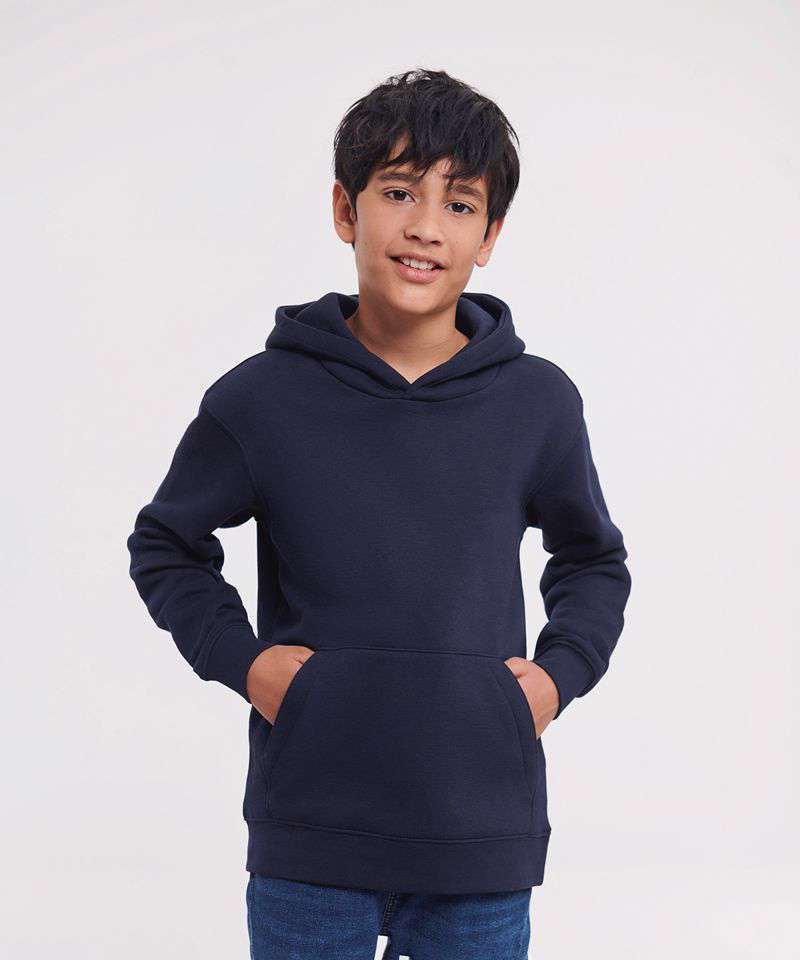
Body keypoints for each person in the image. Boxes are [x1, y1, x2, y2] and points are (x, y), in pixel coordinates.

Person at [127, 67, 632, 960]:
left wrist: (558, 676)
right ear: (344, 209)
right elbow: (167, 542)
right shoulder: (261, 399)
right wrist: (246, 663)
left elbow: (592, 560)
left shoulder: (536, 402)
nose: (426, 226)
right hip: (311, 834)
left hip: (479, 832)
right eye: (398, 192)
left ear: (490, 235)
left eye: (460, 204)